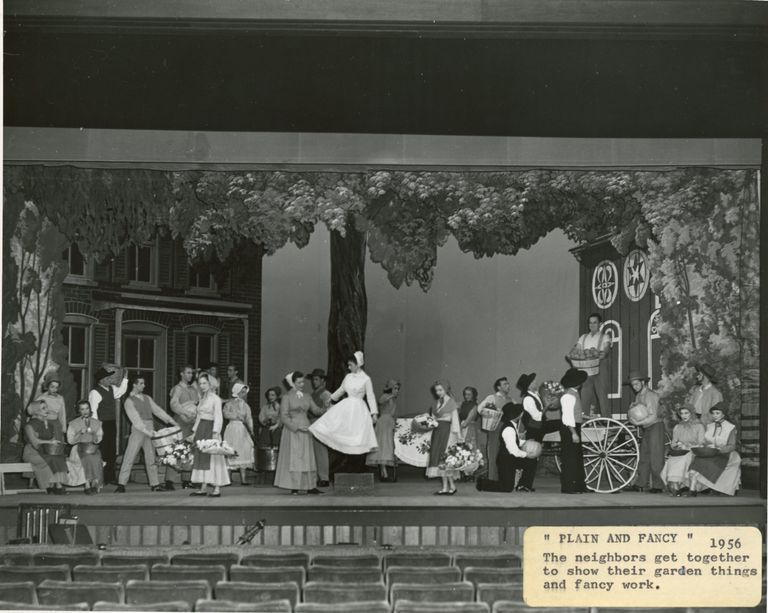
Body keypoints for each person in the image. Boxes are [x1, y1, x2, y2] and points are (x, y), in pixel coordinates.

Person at [309, 351, 378, 475]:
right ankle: (349, 463)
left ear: (358, 364)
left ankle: (358, 465)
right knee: (345, 433)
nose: (349, 367)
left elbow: (371, 396)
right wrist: (331, 399)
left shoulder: (366, 379)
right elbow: (341, 390)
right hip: (347, 408)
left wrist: (374, 413)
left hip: (359, 409)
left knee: (358, 436)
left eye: (351, 365)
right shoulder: (348, 377)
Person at [115, 374, 178, 493]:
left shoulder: (147, 398)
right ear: (134, 385)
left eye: (144, 383)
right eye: (141, 383)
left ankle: (155, 484)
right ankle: (121, 484)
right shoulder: (128, 401)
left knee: (151, 457)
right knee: (130, 456)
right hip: (139, 430)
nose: (144, 385)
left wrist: (172, 421)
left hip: (149, 427)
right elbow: (136, 420)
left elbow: (158, 411)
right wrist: (148, 432)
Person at [274, 372, 323, 495]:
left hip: (306, 429)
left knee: (307, 457)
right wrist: (296, 427)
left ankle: (310, 485)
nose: (302, 385)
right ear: (293, 383)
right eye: (299, 382)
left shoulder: (307, 396)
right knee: (295, 458)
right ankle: (294, 486)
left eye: (302, 382)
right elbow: (284, 416)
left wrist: (327, 406)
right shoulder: (287, 397)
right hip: (293, 430)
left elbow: (316, 410)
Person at [476, 403, 537, 493]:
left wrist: (528, 443)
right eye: (521, 413)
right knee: (506, 488)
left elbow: (517, 441)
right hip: (506, 460)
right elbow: (513, 450)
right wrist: (527, 454)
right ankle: (482, 483)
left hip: (511, 458)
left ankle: (523, 485)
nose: (522, 415)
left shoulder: (512, 425)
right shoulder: (509, 429)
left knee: (532, 461)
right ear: (517, 415)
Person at [685, 403, 741, 497]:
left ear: (723, 414)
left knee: (710, 463)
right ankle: (692, 489)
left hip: (725, 454)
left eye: (717, 413)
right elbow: (706, 441)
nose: (715, 415)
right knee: (697, 462)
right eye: (713, 413)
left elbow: (732, 446)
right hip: (710, 452)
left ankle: (718, 487)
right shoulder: (710, 426)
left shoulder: (730, 427)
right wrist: (705, 445)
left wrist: (719, 449)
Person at [189, 372, 231, 497]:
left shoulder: (216, 399)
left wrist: (215, 433)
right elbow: (199, 417)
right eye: (200, 383)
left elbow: (219, 417)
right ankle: (203, 486)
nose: (202, 386)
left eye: (204, 383)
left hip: (211, 429)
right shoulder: (202, 399)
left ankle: (217, 488)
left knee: (213, 458)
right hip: (201, 429)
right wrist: (194, 432)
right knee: (202, 457)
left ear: (210, 384)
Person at [624, 370, 664, 493]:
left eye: (636, 384)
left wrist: (637, 423)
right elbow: (635, 410)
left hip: (656, 426)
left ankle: (658, 485)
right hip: (647, 428)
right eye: (633, 385)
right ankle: (641, 483)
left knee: (656, 457)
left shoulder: (651, 395)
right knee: (644, 456)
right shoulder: (639, 396)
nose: (634, 387)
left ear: (643, 382)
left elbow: (653, 416)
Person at [88, 364, 128, 485]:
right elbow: (93, 412)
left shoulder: (111, 389)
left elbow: (121, 391)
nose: (111, 380)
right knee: (103, 450)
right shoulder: (95, 392)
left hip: (111, 423)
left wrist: (125, 378)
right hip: (101, 423)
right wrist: (96, 428)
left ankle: (110, 477)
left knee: (111, 450)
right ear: (102, 380)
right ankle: (101, 477)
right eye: (108, 378)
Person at [570, 313, 612, 417]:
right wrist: (571, 354)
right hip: (586, 367)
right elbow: (576, 349)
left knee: (602, 394)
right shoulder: (583, 337)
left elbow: (606, 348)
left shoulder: (605, 336)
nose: (592, 325)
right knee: (585, 394)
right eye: (590, 323)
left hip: (600, 366)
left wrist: (604, 353)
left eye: (595, 322)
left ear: (600, 324)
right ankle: (584, 420)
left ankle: (607, 420)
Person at [23, 399, 68, 494]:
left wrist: (57, 443)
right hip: (32, 453)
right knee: (52, 459)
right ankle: (57, 486)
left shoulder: (49, 424)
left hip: (45, 451)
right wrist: (50, 442)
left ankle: (54, 485)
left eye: (46, 407)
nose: (47, 409)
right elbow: (35, 442)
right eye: (43, 408)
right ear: (36, 411)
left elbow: (51, 440)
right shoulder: (29, 425)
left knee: (59, 457)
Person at [167, 364, 199, 490]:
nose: (190, 375)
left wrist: (195, 414)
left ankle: (186, 480)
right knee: (177, 449)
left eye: (191, 373)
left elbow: (197, 403)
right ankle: (169, 480)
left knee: (190, 450)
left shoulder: (193, 389)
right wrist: (186, 413)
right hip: (181, 421)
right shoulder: (178, 389)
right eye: (188, 373)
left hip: (191, 422)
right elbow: (173, 404)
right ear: (181, 374)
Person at [660, 405, 705, 496]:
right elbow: (673, 444)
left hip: (694, 452)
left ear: (691, 414)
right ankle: (676, 487)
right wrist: (677, 445)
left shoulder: (699, 426)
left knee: (682, 460)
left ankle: (688, 489)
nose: (683, 415)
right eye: (681, 413)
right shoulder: (678, 427)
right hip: (681, 452)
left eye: (686, 413)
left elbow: (701, 444)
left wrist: (688, 446)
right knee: (671, 460)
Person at [426, 381, 461, 495]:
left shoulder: (451, 403)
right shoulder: (437, 403)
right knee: (439, 459)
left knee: (446, 459)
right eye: (436, 390)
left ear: (445, 389)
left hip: (448, 432)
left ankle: (452, 486)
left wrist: (457, 435)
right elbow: (433, 418)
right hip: (438, 431)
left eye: (440, 390)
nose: (438, 392)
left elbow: (455, 420)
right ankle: (446, 487)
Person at [559, 367, 589, 494]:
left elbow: (575, 413)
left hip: (574, 426)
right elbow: (567, 417)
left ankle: (579, 485)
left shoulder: (573, 393)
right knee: (570, 458)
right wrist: (574, 433)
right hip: (569, 428)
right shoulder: (568, 396)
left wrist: (585, 417)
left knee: (576, 457)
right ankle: (569, 487)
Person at [476, 377, 512, 480]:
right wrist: (485, 413)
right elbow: (480, 408)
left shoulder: (510, 399)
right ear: (498, 387)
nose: (508, 386)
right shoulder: (492, 397)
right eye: (505, 384)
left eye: (508, 384)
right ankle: (492, 478)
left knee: (506, 453)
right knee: (493, 452)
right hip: (495, 428)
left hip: (507, 429)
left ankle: (503, 477)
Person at [67, 400, 104, 494]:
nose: (85, 411)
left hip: (92, 448)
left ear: (90, 409)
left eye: (87, 408)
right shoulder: (73, 423)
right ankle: (87, 484)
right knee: (87, 458)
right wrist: (79, 433)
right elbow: (70, 441)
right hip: (78, 448)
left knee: (96, 458)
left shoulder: (96, 423)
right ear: (79, 411)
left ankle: (95, 482)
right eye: (82, 409)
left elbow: (99, 438)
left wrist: (94, 434)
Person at [367, 379, 400, 482]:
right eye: (395, 388)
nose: (397, 390)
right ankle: (383, 472)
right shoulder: (385, 396)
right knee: (383, 446)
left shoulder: (394, 399)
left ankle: (384, 472)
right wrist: (391, 395)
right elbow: (380, 401)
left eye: (398, 389)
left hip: (389, 422)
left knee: (388, 447)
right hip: (383, 423)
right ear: (390, 388)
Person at [223, 382, 255, 485]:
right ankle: (228, 479)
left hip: (241, 429)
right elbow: (225, 414)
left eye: (245, 392)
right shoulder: (229, 403)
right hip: (232, 428)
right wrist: (235, 415)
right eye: (241, 392)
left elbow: (249, 418)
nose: (243, 394)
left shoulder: (246, 405)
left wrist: (251, 429)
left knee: (243, 449)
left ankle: (243, 479)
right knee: (231, 450)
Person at [517, 372, 561, 445]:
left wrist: (546, 418)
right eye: (533, 381)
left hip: (539, 426)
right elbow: (537, 417)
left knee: (562, 423)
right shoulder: (528, 399)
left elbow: (540, 411)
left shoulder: (536, 395)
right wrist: (547, 405)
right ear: (529, 386)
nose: (535, 382)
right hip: (534, 428)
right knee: (533, 450)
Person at [307, 368, 332, 487]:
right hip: (312, 423)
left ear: (323, 380)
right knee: (314, 451)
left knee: (321, 450)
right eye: (313, 379)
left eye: (316, 379)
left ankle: (324, 477)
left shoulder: (325, 394)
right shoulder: (313, 394)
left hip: (320, 423)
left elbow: (330, 409)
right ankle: (317, 476)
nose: (314, 382)